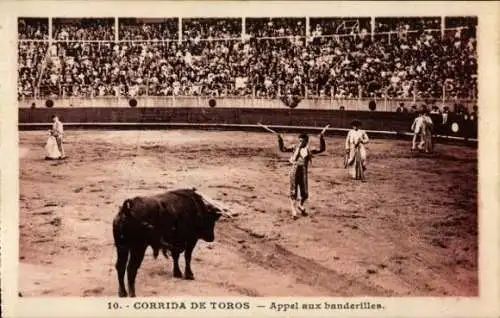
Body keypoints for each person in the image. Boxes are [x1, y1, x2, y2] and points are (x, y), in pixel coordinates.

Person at [277, 131, 326, 220]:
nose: (300, 142)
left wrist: (322, 139)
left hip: (303, 173)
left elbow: (321, 149)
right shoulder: (295, 147)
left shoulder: (309, 149)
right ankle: (293, 210)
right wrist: (280, 140)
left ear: (306, 141)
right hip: (294, 172)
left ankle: (300, 205)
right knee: (293, 191)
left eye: (302, 141)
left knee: (305, 193)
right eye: (299, 141)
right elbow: (283, 149)